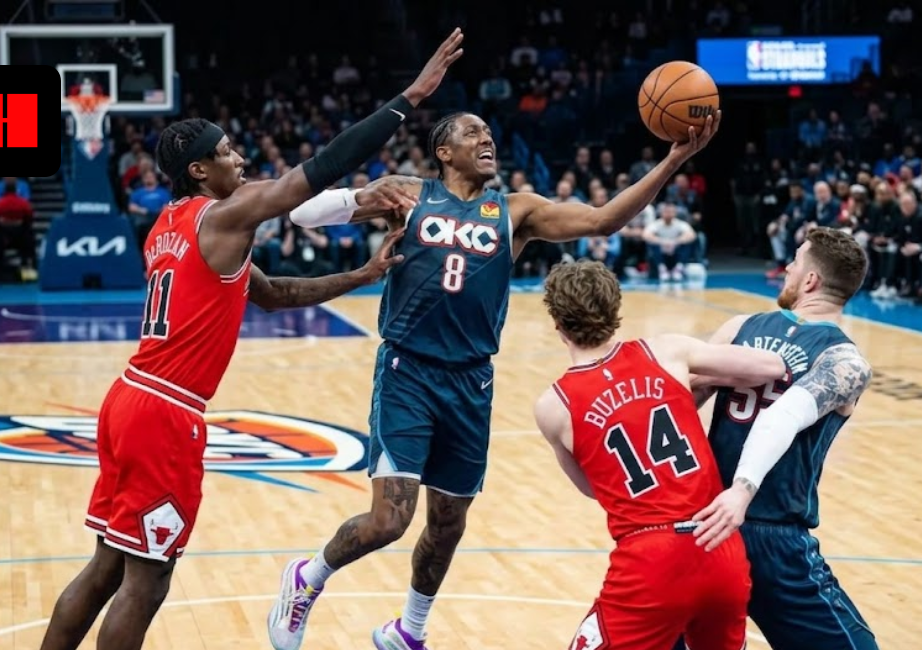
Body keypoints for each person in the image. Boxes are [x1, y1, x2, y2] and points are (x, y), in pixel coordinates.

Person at [36, 28, 466, 650]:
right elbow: (320, 170)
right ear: (199, 170)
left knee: (106, 566)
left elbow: (272, 293)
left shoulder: (169, 225)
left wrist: (362, 275)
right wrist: (411, 98)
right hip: (165, 412)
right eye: (227, 152)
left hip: (128, 398)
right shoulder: (224, 215)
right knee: (147, 582)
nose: (239, 160)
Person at [268, 108, 722, 650]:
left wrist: (673, 160)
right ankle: (307, 577)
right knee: (390, 520)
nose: (487, 138)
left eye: (489, 132)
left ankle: (409, 630)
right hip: (408, 372)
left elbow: (602, 221)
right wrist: (359, 198)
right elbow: (303, 216)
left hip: (471, 382)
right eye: (473, 132)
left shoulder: (516, 211)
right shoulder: (409, 193)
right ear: (443, 151)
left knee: (448, 523)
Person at [532, 260, 786, 650]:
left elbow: (594, 488)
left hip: (650, 560)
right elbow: (771, 366)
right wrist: (700, 383)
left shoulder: (554, 406)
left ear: (558, 324)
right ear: (616, 310)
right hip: (719, 544)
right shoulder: (665, 351)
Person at [682, 227, 878, 650]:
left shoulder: (741, 327)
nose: (787, 267)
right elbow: (780, 418)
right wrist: (742, 491)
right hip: (772, 537)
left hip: (704, 523)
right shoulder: (846, 361)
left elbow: (677, 405)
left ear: (811, 280)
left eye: (795, 260)